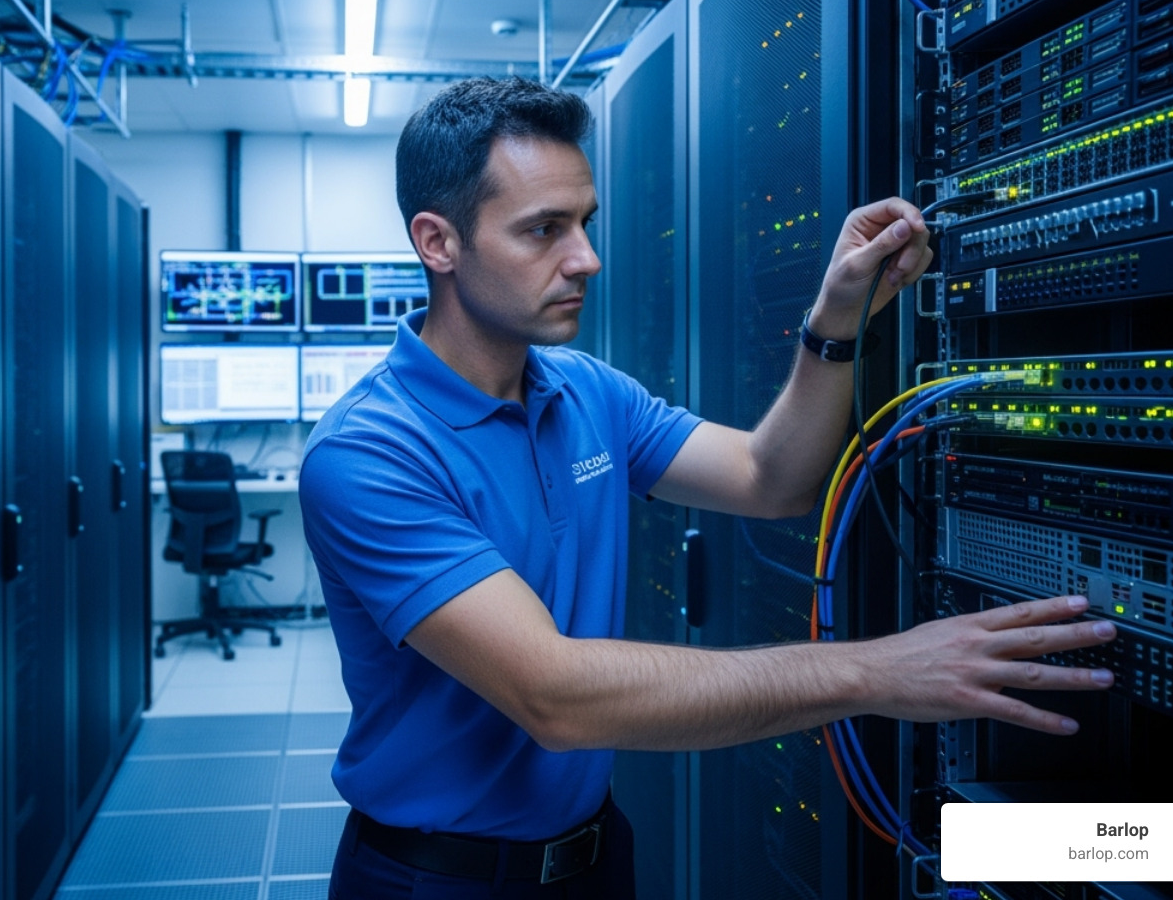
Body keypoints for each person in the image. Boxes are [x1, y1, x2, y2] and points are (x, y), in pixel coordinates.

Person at [298, 77, 1115, 898]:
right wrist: (876, 671)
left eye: (584, 222)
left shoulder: (586, 392)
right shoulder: (368, 453)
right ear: (438, 243)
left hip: (592, 856)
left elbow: (772, 478)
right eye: (543, 230)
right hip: (437, 880)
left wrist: (836, 318)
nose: (585, 258)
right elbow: (554, 695)